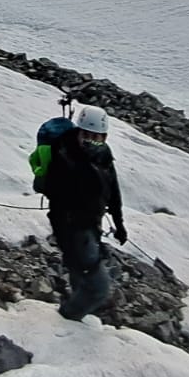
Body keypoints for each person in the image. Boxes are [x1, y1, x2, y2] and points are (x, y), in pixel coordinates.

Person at [36, 105, 126, 321]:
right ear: (79, 132)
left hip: (91, 224)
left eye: (98, 137)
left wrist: (118, 222)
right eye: (88, 135)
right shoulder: (64, 157)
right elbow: (56, 204)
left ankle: (76, 308)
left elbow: (112, 189)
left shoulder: (103, 154)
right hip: (73, 227)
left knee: (81, 273)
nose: (93, 141)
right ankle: (67, 318)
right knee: (99, 289)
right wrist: (65, 241)